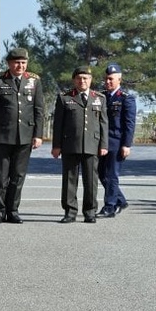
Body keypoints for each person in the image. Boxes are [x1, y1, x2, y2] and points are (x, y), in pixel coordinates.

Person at [51, 66, 109, 223]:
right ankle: (70, 212)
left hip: (92, 144)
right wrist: (56, 146)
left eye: (85, 78)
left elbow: (104, 123)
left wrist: (104, 144)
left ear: (90, 80)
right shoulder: (64, 98)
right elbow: (58, 124)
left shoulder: (100, 98)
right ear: (74, 80)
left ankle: (90, 212)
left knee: (91, 181)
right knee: (69, 180)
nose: (82, 81)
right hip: (70, 144)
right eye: (79, 78)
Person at [0, 47, 45, 224]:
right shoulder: (0, 80)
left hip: (25, 136)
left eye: (23, 62)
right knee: (0, 177)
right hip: (2, 136)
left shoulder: (34, 81)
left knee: (18, 176)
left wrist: (38, 135)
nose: (20, 66)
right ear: (9, 63)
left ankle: (13, 210)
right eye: (17, 62)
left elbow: (39, 110)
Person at [96, 62, 137, 219]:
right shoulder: (101, 96)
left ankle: (110, 206)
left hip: (116, 142)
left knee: (112, 175)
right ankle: (120, 200)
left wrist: (126, 144)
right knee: (101, 173)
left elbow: (129, 124)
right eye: (106, 79)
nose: (107, 82)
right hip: (102, 142)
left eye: (111, 79)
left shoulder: (126, 98)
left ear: (119, 79)